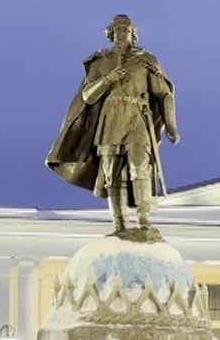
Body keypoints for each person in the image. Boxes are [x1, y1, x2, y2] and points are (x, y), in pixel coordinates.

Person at [46, 15, 179, 240]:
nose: (121, 33)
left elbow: (164, 93)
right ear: (110, 34)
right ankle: (119, 225)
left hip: (137, 118)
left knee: (140, 166)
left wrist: (171, 125)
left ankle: (144, 221)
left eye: (125, 30)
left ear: (133, 35)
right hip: (110, 119)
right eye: (116, 30)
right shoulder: (100, 62)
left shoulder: (146, 61)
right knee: (112, 173)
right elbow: (87, 96)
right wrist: (107, 79)